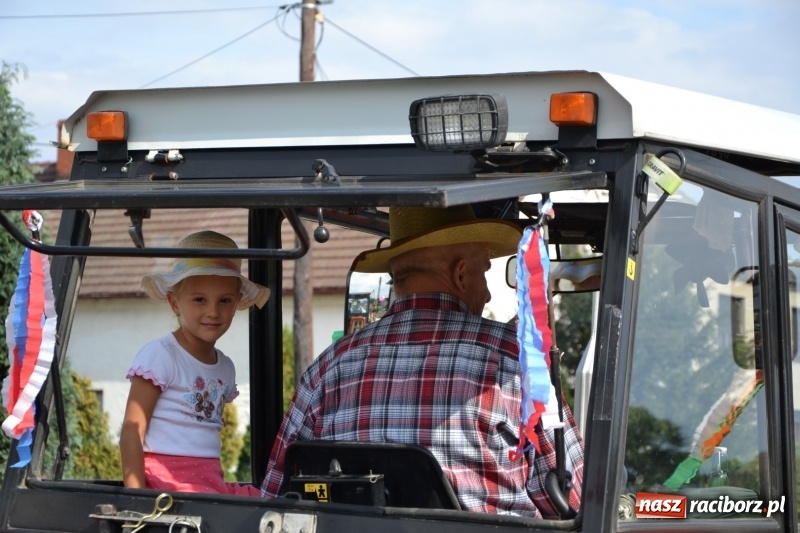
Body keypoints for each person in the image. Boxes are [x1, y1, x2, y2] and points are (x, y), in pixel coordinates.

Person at [261, 206, 584, 517]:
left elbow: (275, 495)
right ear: (460, 273)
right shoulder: (515, 359)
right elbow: (575, 498)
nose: (486, 294)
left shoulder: (328, 368)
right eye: (484, 273)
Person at [120, 230, 269, 495]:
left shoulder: (225, 367)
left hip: (208, 478)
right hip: (168, 480)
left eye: (225, 300)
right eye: (200, 299)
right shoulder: (161, 355)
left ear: (236, 304)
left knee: (267, 503)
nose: (213, 311)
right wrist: (135, 502)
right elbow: (132, 432)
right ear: (174, 302)